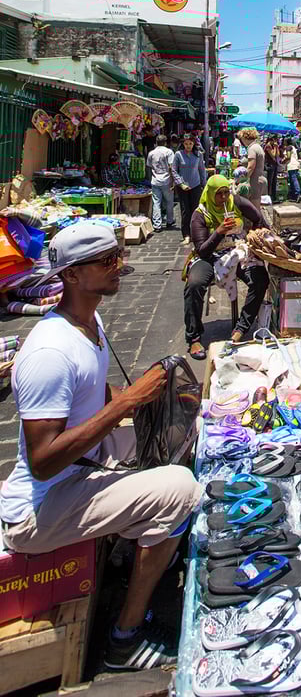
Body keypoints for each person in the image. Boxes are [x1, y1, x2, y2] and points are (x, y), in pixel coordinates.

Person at [0, 222, 202, 669]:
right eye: (107, 261)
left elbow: (91, 397)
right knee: (181, 488)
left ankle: (142, 542)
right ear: (71, 274)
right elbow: (44, 461)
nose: (120, 266)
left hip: (80, 465)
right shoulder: (50, 352)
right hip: (40, 509)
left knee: (182, 435)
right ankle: (125, 637)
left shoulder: (91, 322)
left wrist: (156, 401)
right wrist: (129, 401)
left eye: (118, 256)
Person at [184, 176, 269, 357]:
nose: (223, 198)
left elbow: (258, 218)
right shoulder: (200, 214)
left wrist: (252, 237)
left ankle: (241, 328)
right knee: (194, 284)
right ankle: (194, 338)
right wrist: (219, 231)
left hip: (235, 252)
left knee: (260, 278)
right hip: (210, 257)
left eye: (226, 192)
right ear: (210, 194)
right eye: (219, 194)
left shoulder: (235, 202)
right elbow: (202, 251)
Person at [172, 134, 207, 245]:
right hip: (183, 187)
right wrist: (180, 183)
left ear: (194, 144)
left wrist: (204, 184)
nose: (188, 146)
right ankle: (186, 235)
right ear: (183, 144)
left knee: (195, 211)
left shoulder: (198, 155)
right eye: (186, 144)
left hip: (196, 185)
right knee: (185, 211)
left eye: (190, 144)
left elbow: (202, 170)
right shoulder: (178, 155)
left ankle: (195, 233)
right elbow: (174, 170)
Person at [146, 134, 176, 232]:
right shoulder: (169, 152)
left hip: (155, 180)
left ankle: (157, 225)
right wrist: (173, 181)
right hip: (166, 180)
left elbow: (149, 168)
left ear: (156, 142)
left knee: (156, 203)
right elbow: (172, 167)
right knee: (169, 202)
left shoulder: (151, 153)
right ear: (166, 142)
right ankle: (169, 221)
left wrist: (150, 179)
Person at [238, 128, 266, 210]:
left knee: (254, 208)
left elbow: (251, 167)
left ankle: (259, 223)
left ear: (245, 137)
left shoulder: (252, 148)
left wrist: (241, 180)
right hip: (259, 179)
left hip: (255, 181)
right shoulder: (257, 146)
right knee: (256, 206)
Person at [264, 136, 279, 201]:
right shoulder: (268, 146)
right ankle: (269, 196)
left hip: (274, 164)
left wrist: (276, 147)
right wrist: (275, 147)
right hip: (270, 165)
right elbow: (272, 155)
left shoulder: (273, 146)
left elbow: (277, 155)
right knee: (270, 181)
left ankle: (274, 196)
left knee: (274, 181)